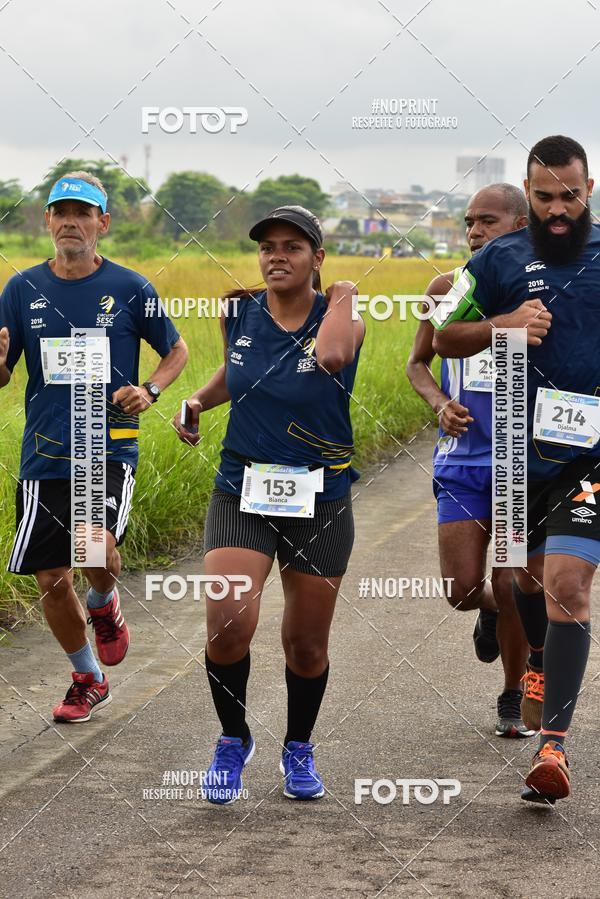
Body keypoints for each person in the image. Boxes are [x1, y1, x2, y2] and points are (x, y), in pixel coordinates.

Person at [174, 205, 364, 803]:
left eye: (293, 247)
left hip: (321, 495)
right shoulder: (237, 311)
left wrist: (343, 294)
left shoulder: (346, 317)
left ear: (317, 257)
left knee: (305, 644)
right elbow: (238, 373)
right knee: (228, 625)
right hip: (243, 486)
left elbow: (330, 358)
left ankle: (298, 748)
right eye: (267, 247)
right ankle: (233, 740)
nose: (277, 256)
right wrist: (199, 401)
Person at [433, 135, 598, 804]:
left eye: (570, 196)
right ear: (527, 196)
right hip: (515, 455)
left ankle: (552, 747)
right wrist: (502, 322)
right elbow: (444, 334)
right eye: (544, 197)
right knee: (521, 581)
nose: (558, 210)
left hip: (590, 459)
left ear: (590, 190)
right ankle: (534, 659)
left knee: (567, 586)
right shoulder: (499, 258)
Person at [0, 172, 187, 723]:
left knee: (93, 545)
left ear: (102, 223)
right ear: (47, 221)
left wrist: (149, 389)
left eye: (82, 213)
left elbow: (175, 350)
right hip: (45, 453)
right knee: (51, 580)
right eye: (60, 212)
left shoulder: (131, 288)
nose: (70, 222)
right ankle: (88, 677)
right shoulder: (21, 289)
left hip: (108, 445)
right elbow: (3, 373)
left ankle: (104, 602)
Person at [406, 184, 531, 738]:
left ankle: (512, 692)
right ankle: (490, 610)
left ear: (521, 226)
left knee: (512, 584)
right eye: (469, 221)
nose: (475, 231)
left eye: (488, 221)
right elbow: (417, 364)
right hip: (461, 462)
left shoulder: (542, 293)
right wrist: (439, 404)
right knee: (461, 590)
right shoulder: (445, 288)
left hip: (519, 464)